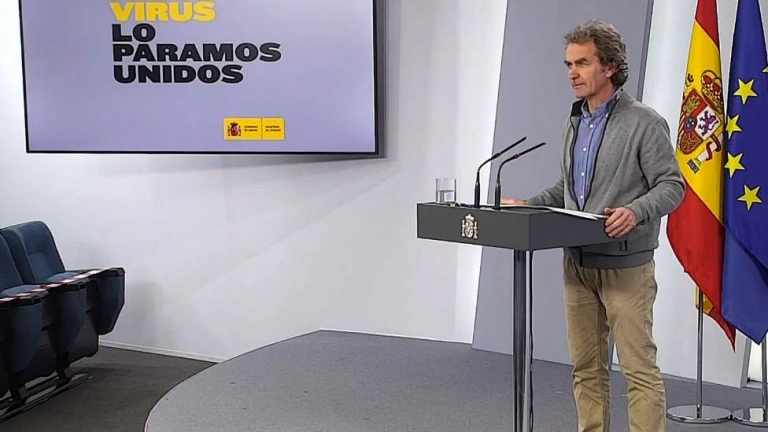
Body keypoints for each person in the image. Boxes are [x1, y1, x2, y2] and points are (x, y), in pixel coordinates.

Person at [502, 20, 684, 432]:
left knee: (638, 371)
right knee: (585, 368)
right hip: (578, 264)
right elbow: (568, 190)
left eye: (582, 63)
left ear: (610, 66)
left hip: (625, 267)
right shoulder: (575, 122)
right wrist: (528, 205)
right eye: (569, 64)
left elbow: (672, 186)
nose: (572, 73)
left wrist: (635, 211)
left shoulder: (644, 122)